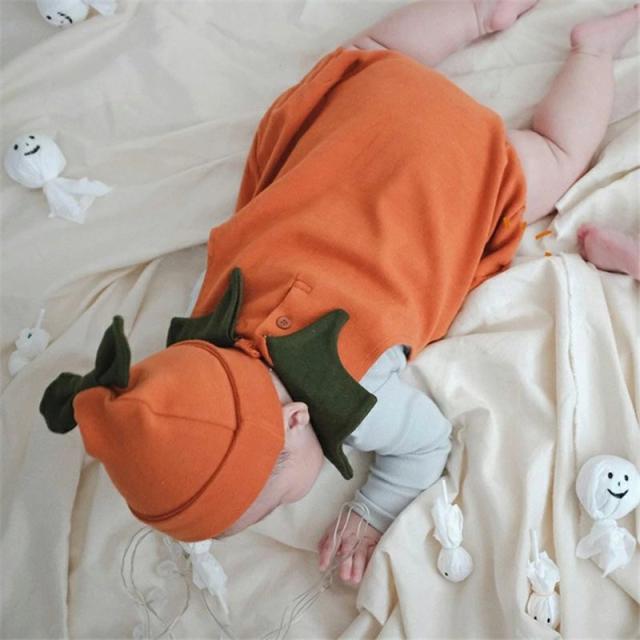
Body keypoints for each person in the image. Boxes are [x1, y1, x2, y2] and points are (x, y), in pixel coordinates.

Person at [40, 0, 640, 590]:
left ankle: (593, 51)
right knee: (373, 52)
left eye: (277, 501)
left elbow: (427, 442)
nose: (285, 507)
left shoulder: (357, 398)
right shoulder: (207, 317)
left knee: (556, 153)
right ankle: (480, 13)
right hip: (371, 106)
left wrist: (372, 510)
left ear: (298, 418)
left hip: (455, 165)